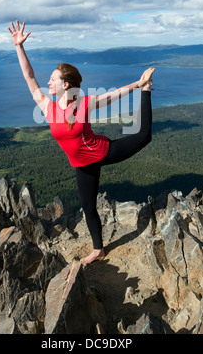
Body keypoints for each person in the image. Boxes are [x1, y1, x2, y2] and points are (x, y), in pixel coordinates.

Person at [8, 20, 155, 264]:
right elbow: (29, 76)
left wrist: (140, 85)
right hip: (82, 165)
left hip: (102, 151)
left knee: (144, 136)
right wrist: (19, 47)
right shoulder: (48, 107)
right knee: (88, 207)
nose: (48, 83)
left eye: (53, 79)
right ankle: (99, 249)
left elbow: (114, 94)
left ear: (65, 84)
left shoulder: (83, 104)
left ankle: (148, 91)